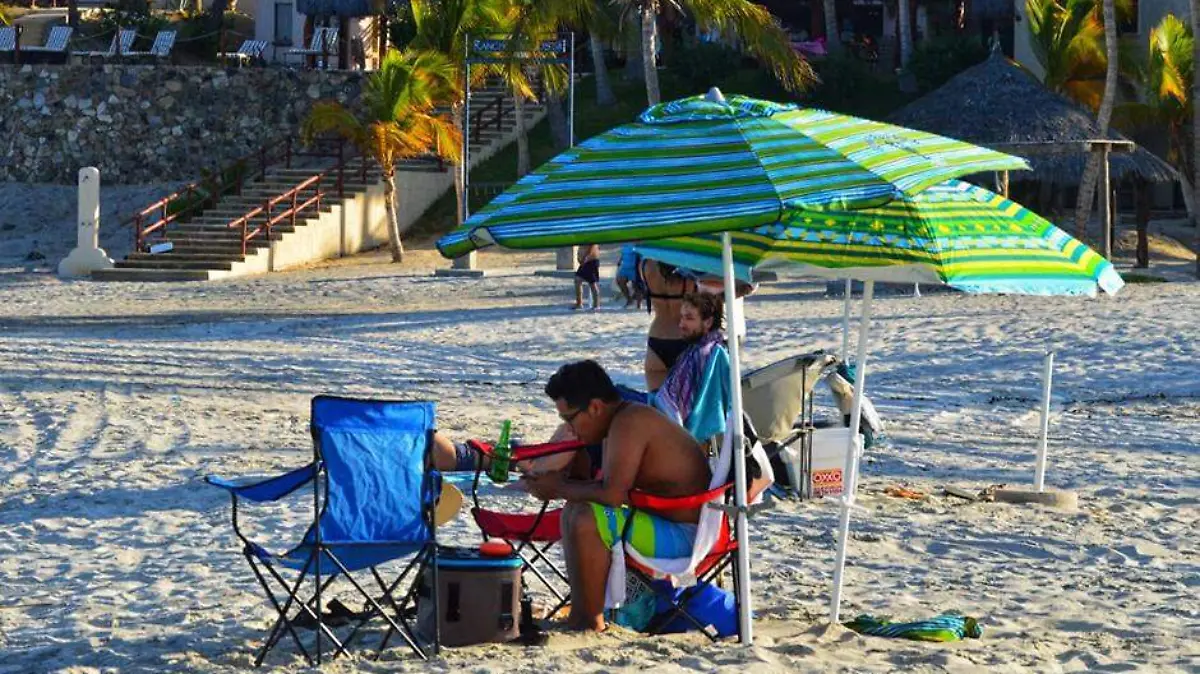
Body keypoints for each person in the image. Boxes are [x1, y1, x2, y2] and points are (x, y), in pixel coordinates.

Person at [518, 360, 711, 632]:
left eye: (570, 419)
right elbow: (599, 487)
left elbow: (611, 494)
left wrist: (557, 487)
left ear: (595, 407)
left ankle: (590, 620)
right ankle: (582, 615)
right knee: (575, 509)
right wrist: (562, 480)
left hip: (687, 538)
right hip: (668, 523)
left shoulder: (630, 422)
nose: (570, 429)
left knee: (586, 517)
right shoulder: (618, 422)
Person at [654, 292, 731, 445]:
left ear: (708, 322)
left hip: (673, 429)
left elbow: (672, 407)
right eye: (682, 317)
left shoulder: (701, 354)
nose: (681, 324)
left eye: (689, 318)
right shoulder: (712, 348)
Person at [640, 259, 697, 391]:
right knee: (687, 404)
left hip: (657, 337)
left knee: (658, 404)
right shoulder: (689, 267)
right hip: (684, 337)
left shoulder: (646, 264)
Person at [573, 244, 601, 311]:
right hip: (585, 261)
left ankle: (596, 305)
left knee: (592, 283)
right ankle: (579, 303)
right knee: (577, 280)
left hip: (591, 260)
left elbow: (593, 245)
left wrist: (586, 257)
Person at [614, 245, 643, 309]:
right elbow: (623, 253)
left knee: (636, 286)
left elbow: (641, 256)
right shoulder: (625, 243)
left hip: (634, 268)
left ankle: (639, 305)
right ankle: (629, 299)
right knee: (619, 281)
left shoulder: (637, 243)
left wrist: (640, 269)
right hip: (625, 267)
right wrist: (620, 260)